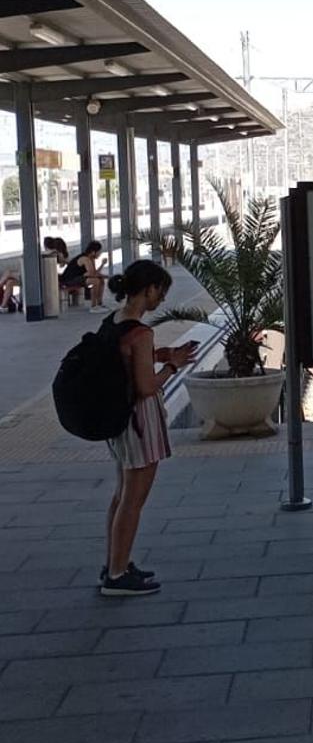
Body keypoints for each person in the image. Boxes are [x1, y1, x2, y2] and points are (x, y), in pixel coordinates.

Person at [102, 260, 195, 597]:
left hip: (119, 421)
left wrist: (162, 353)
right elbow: (146, 386)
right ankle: (116, 575)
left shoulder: (115, 321)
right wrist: (172, 365)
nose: (162, 299)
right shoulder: (141, 332)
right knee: (133, 499)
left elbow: (126, 359)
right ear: (149, 289)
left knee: (121, 494)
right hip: (140, 421)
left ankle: (116, 561)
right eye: (161, 292)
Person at [61, 240, 109, 313]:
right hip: (69, 280)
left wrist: (102, 265)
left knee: (100, 279)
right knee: (95, 281)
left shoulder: (91, 258)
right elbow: (93, 274)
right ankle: (94, 306)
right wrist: (107, 276)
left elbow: (94, 273)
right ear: (93, 252)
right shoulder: (85, 259)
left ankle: (99, 303)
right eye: (99, 252)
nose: (100, 254)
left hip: (78, 278)